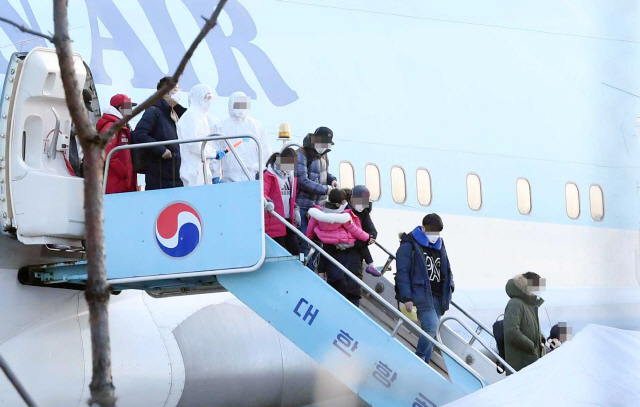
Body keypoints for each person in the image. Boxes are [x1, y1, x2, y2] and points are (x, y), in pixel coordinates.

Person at [395, 214, 455, 364]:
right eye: (432, 231)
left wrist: (450, 286)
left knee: (433, 332)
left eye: (438, 232)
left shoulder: (440, 245)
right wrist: (407, 297)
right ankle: (419, 359)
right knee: (431, 327)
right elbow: (403, 272)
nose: (435, 236)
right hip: (420, 294)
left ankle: (425, 363)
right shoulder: (409, 245)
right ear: (423, 228)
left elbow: (447, 268)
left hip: (439, 296)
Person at [306, 189, 371, 306]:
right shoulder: (346, 216)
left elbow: (311, 227)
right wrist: (367, 238)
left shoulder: (320, 214)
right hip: (348, 252)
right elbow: (356, 231)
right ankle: (370, 264)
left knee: (336, 290)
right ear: (344, 201)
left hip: (332, 251)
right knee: (352, 291)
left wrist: (309, 239)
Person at [132, 76, 186, 190]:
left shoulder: (175, 113)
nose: (179, 92)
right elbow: (139, 134)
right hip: (159, 175)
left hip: (175, 174)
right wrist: (161, 150)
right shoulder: (153, 112)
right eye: (176, 89)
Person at [296, 127, 338, 268]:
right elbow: (302, 181)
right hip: (303, 206)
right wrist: (326, 190)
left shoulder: (324, 155)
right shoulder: (301, 154)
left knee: (318, 242)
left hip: (318, 207)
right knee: (304, 241)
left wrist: (332, 180)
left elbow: (324, 173)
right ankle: (302, 269)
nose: (326, 146)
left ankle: (312, 270)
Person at [176, 84, 225, 187]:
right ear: (199, 97)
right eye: (207, 97)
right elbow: (193, 144)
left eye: (211, 98)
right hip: (192, 169)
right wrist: (213, 153)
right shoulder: (190, 116)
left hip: (202, 167)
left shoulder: (202, 117)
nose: (209, 101)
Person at [217, 91, 271, 183]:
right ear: (231, 105)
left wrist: (261, 171)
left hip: (251, 179)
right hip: (228, 180)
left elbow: (265, 151)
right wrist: (215, 175)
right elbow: (214, 151)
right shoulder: (221, 126)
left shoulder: (256, 126)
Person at [503, 272, 546, 374]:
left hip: (530, 362)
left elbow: (531, 329)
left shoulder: (530, 306)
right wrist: (531, 346)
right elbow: (511, 332)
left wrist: (542, 339)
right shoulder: (515, 303)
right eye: (537, 286)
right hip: (521, 365)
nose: (540, 290)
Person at [263, 148, 301, 255]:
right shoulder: (269, 175)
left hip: (288, 220)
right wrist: (268, 202)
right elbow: (263, 192)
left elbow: (289, 198)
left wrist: (295, 209)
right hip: (275, 220)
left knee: (295, 251)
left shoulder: (289, 176)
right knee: (280, 253)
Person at [99, 94, 138, 194]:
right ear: (120, 108)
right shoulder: (111, 127)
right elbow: (107, 154)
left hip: (122, 181)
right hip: (116, 182)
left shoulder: (121, 126)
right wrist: (124, 172)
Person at [346, 185, 381, 277]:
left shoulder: (363, 212)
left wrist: (367, 238)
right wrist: (365, 240)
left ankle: (371, 264)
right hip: (343, 254)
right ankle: (371, 264)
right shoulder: (344, 211)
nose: (361, 204)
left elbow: (373, 231)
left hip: (356, 257)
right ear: (351, 198)